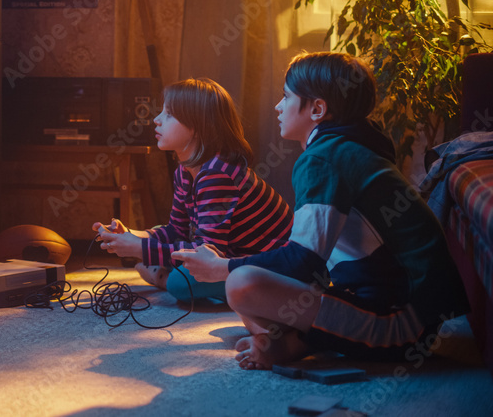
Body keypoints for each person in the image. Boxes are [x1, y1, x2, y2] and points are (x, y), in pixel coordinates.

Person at [172, 52, 470, 370]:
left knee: (241, 283)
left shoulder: (324, 158)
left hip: (402, 323)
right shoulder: (350, 146)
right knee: (251, 279)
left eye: (286, 97)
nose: (278, 106)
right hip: (400, 310)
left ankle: (289, 344)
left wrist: (222, 267)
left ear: (317, 109)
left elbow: (303, 262)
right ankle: (291, 343)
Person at [95, 78, 293, 302]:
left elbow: (207, 251)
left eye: (169, 114)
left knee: (181, 283)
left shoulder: (217, 174)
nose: (156, 120)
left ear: (198, 127)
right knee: (160, 234)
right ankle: (163, 270)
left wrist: (140, 249)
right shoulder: (185, 171)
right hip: (229, 251)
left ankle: (162, 278)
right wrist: (130, 235)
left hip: (267, 265)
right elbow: (176, 230)